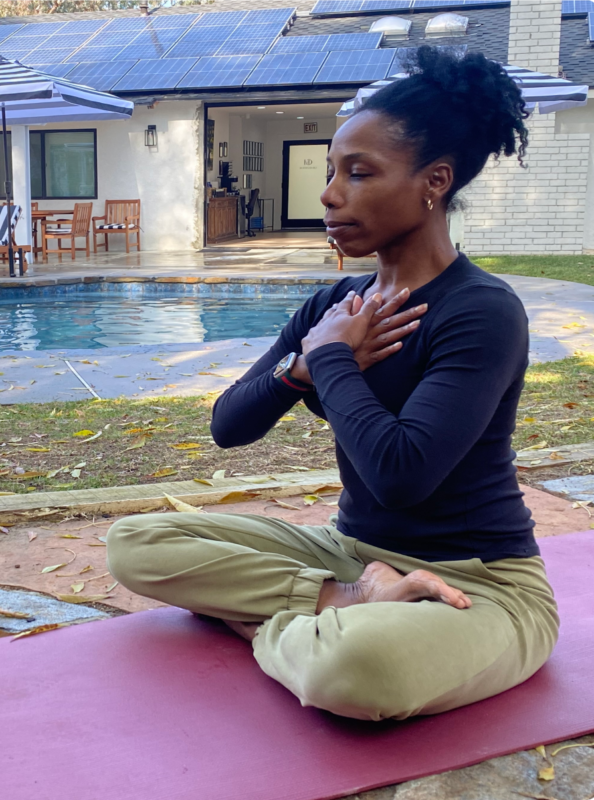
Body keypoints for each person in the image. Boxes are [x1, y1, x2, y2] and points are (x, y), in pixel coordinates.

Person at [107, 46, 559, 722]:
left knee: (357, 670)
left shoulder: (480, 311)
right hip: (350, 555)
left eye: (359, 172)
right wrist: (302, 365)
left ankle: (276, 625)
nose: (329, 194)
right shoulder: (334, 308)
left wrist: (335, 364)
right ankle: (339, 603)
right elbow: (229, 426)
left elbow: (402, 474)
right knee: (136, 543)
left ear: (434, 182)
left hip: (480, 580)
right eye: (330, 171)